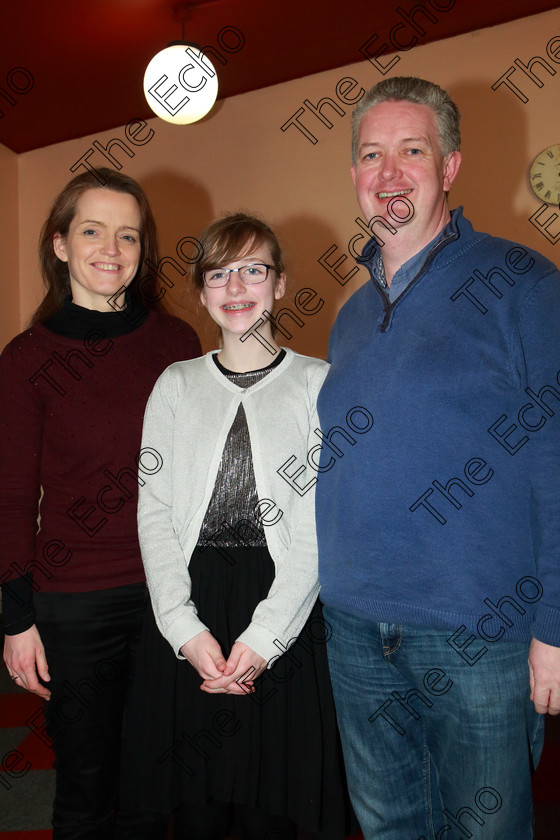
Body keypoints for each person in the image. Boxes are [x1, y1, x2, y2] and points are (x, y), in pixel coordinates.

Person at [316, 76, 560, 840]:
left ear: (449, 166)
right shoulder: (350, 317)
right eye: (371, 154)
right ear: (354, 175)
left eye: (411, 150)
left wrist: (553, 626)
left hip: (478, 634)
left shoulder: (524, 283)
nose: (389, 172)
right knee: (388, 827)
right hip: (355, 628)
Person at [122, 213, 350, 840]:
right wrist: (183, 630)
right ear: (201, 293)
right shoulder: (174, 384)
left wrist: (265, 638)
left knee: (274, 806)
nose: (237, 285)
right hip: (190, 611)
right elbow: (155, 511)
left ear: (280, 284)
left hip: (286, 612)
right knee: (196, 809)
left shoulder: (317, 383)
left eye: (254, 268)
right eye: (220, 273)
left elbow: (316, 525)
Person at [0, 167, 201, 839]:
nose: (111, 249)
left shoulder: (176, 344)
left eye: (128, 236)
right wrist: (15, 618)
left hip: (170, 596)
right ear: (60, 244)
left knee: (158, 786)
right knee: (87, 792)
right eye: (92, 230)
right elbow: (9, 494)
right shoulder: (27, 358)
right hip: (75, 604)